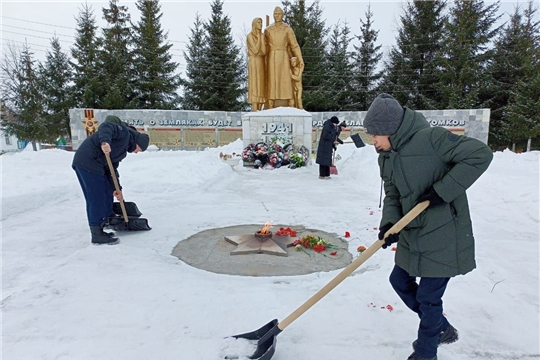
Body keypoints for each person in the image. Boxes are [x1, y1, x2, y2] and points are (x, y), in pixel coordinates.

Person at [363, 93, 493, 360]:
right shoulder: (386, 156)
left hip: (444, 232)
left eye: (375, 134)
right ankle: (440, 328)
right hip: (413, 232)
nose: (372, 140)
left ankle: (426, 353)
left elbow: (481, 155)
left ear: (390, 130)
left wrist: (441, 191)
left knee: (429, 298)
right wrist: (390, 222)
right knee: (399, 280)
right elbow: (393, 193)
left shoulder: (432, 139)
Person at [72, 115, 150, 245]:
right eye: (139, 149)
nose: (136, 152)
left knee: (107, 192)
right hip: (88, 161)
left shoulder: (122, 150)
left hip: (98, 165)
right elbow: (106, 126)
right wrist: (105, 142)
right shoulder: (123, 133)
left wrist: (116, 188)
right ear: (137, 143)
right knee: (96, 197)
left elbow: (112, 170)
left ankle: (107, 219)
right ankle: (97, 233)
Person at [264, 6, 304, 109]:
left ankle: (290, 102)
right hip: (271, 56)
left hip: (284, 56)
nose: (276, 16)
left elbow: (294, 45)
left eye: (279, 14)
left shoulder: (287, 29)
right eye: (275, 14)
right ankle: (270, 102)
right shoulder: (268, 30)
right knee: (272, 80)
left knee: (285, 79)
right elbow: (264, 45)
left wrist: (300, 59)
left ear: (283, 15)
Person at [247, 17, 266, 112]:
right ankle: (255, 108)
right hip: (253, 61)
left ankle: (260, 107)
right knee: (255, 83)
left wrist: (261, 38)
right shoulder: (250, 36)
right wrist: (259, 38)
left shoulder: (262, 36)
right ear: (254, 24)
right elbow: (255, 50)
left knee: (261, 84)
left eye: (261, 22)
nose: (261, 24)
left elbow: (263, 51)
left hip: (260, 61)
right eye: (259, 22)